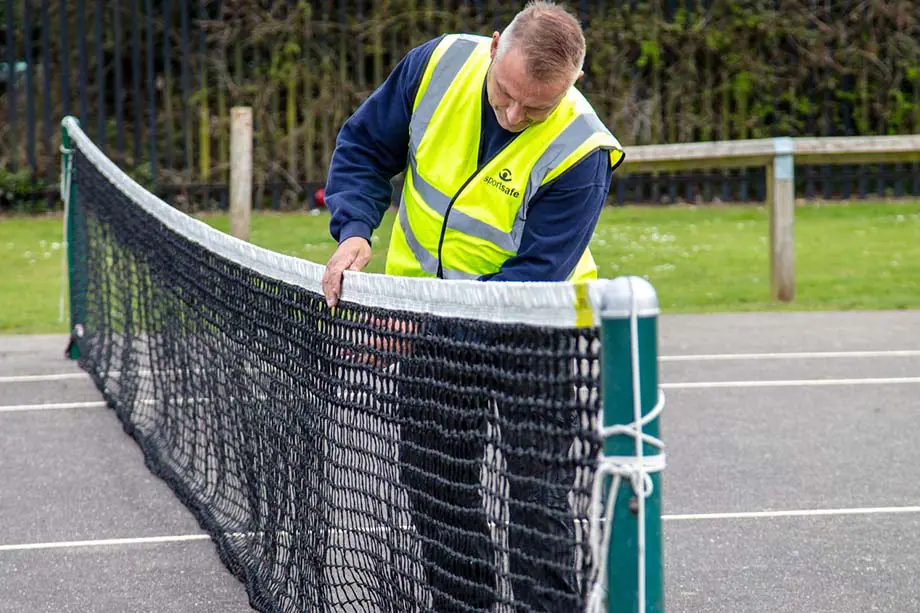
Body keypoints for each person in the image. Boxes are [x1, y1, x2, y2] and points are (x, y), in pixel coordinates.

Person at [320, 1, 625, 610]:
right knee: (437, 488)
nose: (514, 115)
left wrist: (417, 331)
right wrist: (355, 227)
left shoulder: (582, 151)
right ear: (491, 47)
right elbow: (363, 146)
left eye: (535, 107)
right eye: (505, 94)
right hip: (427, 322)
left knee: (538, 503)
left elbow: (530, 281)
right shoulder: (434, 66)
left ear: (573, 84)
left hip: (537, 332)